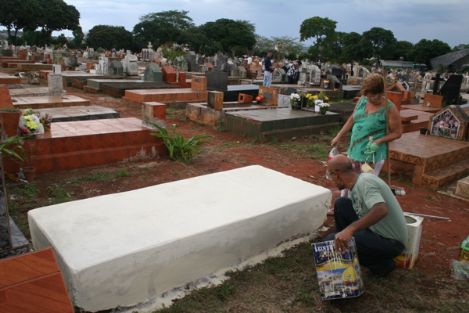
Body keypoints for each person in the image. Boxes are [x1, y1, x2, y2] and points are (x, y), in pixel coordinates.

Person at [324, 154, 407, 276]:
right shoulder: (357, 183)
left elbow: (381, 209)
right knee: (341, 204)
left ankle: (382, 265)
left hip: (391, 243)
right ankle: (345, 250)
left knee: (330, 240)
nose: (332, 181)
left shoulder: (365, 183)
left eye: (331, 176)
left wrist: (350, 229)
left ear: (336, 174)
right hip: (376, 232)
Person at [331, 73, 402, 175]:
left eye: (376, 95)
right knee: (351, 180)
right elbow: (352, 119)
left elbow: (397, 133)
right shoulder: (362, 100)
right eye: (369, 96)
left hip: (372, 155)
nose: (372, 98)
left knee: (366, 183)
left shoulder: (389, 108)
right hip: (355, 149)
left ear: (381, 93)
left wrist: (378, 141)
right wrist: (339, 136)